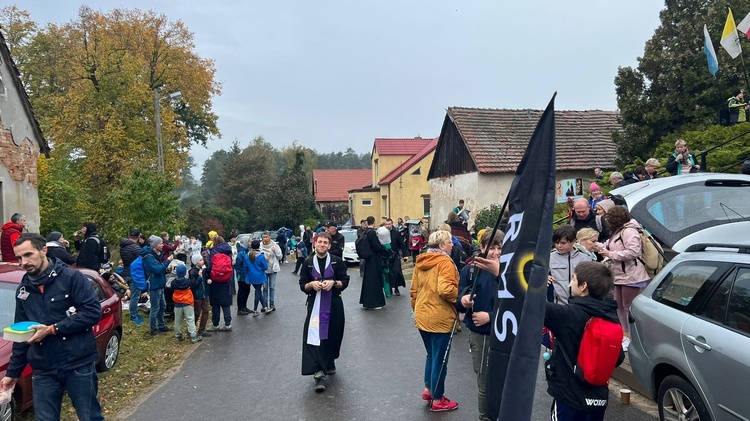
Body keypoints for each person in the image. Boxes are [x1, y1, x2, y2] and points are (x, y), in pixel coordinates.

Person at [0, 233, 105, 420]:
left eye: (28, 255)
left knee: (90, 417)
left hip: (78, 363)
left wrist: (52, 329)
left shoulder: (72, 278)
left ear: (44, 251)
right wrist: (12, 374)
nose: (23, 262)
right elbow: (21, 334)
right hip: (43, 368)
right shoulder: (23, 290)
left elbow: (92, 313)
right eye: (19, 258)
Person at [544, 261, 624, 421]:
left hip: (569, 397)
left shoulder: (568, 315)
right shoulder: (611, 318)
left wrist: (501, 274)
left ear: (583, 286)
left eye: (573, 279)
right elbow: (618, 358)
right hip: (597, 398)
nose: (569, 283)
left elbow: (531, 304)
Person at [410, 229, 460, 412]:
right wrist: (461, 298)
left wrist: (416, 308)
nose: (452, 244)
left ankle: (428, 389)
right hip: (439, 316)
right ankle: (438, 399)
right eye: (449, 242)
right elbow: (446, 289)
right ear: (441, 245)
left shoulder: (422, 261)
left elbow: (413, 289)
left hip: (422, 314)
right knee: (440, 359)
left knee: (431, 355)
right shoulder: (445, 262)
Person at [457, 230, 503, 421]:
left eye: (500, 247)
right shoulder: (471, 270)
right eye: (492, 247)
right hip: (481, 335)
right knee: (485, 382)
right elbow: (459, 298)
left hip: (505, 334)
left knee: (506, 381)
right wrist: (464, 301)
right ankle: (485, 418)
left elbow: (519, 305)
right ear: (482, 248)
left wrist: (491, 316)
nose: (497, 252)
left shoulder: (512, 271)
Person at [299, 231, 350, 393]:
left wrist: (333, 283)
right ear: (315, 243)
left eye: (325, 243)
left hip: (334, 305)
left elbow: (345, 281)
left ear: (329, 245)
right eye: (319, 242)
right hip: (315, 307)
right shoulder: (307, 263)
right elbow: (303, 285)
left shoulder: (336, 262)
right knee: (315, 337)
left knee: (334, 335)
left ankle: (329, 361)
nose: (322, 245)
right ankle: (319, 373)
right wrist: (311, 286)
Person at [598, 206, 651, 352]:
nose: (607, 221)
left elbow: (634, 252)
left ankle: (633, 336)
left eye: (609, 219)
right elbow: (611, 247)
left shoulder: (629, 231)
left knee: (628, 306)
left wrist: (610, 254)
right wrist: (597, 246)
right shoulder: (616, 231)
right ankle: (625, 334)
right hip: (619, 274)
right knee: (619, 305)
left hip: (631, 275)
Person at [549, 225, 593, 305]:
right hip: (559, 305)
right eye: (557, 243)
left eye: (563, 243)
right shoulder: (550, 258)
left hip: (580, 305)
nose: (559, 246)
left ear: (573, 241)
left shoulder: (585, 258)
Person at [142, 235, 174, 335]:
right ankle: (153, 329)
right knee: (155, 307)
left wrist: (166, 269)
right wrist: (168, 261)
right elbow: (157, 269)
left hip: (160, 284)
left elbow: (160, 268)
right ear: (155, 245)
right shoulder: (148, 257)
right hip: (154, 285)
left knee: (163, 306)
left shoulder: (156, 254)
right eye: (160, 243)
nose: (162, 245)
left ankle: (161, 325)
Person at [206, 236, 233, 331]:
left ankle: (215, 324)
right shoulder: (228, 250)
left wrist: (207, 273)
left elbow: (210, 267)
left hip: (215, 280)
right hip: (226, 279)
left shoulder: (213, 252)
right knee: (226, 303)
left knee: (216, 304)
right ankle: (228, 324)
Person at [359, 216, 387, 309]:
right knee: (374, 281)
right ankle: (375, 303)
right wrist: (385, 250)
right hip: (374, 259)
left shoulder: (365, 232)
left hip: (368, 259)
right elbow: (377, 246)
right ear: (374, 223)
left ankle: (367, 301)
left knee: (368, 281)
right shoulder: (372, 233)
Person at [171, 264, 202, 343]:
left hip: (177, 303)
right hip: (187, 302)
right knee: (190, 319)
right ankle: (193, 336)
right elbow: (193, 285)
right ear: (185, 272)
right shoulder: (188, 282)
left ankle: (178, 335)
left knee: (177, 320)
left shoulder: (173, 282)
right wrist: (199, 278)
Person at [120, 228, 144, 324]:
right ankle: (133, 316)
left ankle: (133, 313)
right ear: (138, 237)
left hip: (125, 272)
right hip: (134, 274)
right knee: (135, 296)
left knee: (132, 294)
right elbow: (140, 261)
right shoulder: (136, 248)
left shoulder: (123, 246)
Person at [239, 240, 268, 316]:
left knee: (258, 291)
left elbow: (245, 268)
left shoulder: (247, 256)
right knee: (258, 292)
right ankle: (255, 309)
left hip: (250, 277)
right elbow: (265, 267)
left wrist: (246, 276)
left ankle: (265, 307)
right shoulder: (261, 256)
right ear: (259, 246)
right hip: (260, 276)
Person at [259, 231, 282, 313]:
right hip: (264, 270)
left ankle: (272, 303)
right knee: (265, 288)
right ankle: (264, 304)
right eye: (263, 237)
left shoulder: (275, 245)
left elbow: (280, 257)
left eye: (266, 237)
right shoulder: (260, 246)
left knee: (272, 287)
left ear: (270, 237)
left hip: (273, 269)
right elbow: (256, 255)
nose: (264, 238)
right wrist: (263, 257)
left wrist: (276, 251)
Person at [189, 255, 211, 337]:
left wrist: (208, 280)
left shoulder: (203, 270)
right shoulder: (192, 272)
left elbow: (205, 279)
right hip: (197, 295)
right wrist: (199, 277)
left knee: (206, 311)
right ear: (196, 262)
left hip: (204, 294)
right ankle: (191, 329)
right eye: (200, 260)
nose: (203, 261)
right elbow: (193, 285)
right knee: (197, 312)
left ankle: (202, 329)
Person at [385, 218, 406, 295]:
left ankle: (396, 288)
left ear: (392, 224)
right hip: (386, 255)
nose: (387, 226)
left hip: (395, 254)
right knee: (388, 272)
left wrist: (405, 255)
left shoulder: (396, 233)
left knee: (396, 272)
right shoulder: (383, 234)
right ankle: (389, 288)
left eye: (389, 224)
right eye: (386, 224)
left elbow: (402, 245)